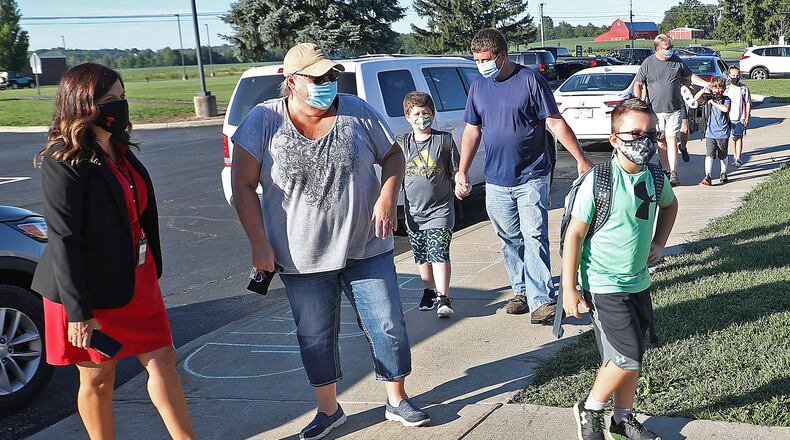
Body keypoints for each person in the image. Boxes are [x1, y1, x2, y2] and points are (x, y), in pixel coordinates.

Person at [230, 43, 429, 440]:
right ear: (291, 82)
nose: (328, 84)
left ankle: (396, 398)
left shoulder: (356, 111)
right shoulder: (263, 120)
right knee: (315, 336)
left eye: (331, 76)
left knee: (387, 323)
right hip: (301, 256)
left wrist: (388, 196)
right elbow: (243, 186)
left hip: (366, 246)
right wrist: (259, 243)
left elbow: (392, 156)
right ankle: (329, 410)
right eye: (318, 79)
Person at [31, 63, 195, 439]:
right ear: (83, 104)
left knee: (163, 360)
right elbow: (64, 238)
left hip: (135, 275)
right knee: (99, 376)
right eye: (110, 100)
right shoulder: (63, 159)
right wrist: (79, 313)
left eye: (122, 98)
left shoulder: (119, 147)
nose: (120, 107)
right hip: (84, 287)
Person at [455, 28, 593, 323]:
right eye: (476, 59)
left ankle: (541, 299)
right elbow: (472, 130)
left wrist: (581, 159)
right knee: (509, 238)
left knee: (533, 235)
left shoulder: (530, 80)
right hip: (496, 178)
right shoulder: (478, 87)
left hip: (532, 174)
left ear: (502, 55)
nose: (481, 64)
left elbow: (554, 123)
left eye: (485, 58)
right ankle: (522, 291)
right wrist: (462, 170)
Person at [562, 99, 678, 440]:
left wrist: (660, 242)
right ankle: (591, 410)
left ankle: (621, 419)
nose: (644, 141)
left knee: (632, 355)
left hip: (638, 280)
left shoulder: (654, 176)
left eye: (651, 133)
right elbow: (575, 235)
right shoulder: (598, 181)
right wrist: (569, 288)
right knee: (626, 354)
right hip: (602, 282)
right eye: (635, 133)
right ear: (615, 139)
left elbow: (670, 206)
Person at [396, 91, 460, 319]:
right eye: (417, 114)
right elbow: (395, 176)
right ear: (407, 117)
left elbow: (455, 170)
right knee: (421, 256)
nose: (422, 117)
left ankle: (444, 297)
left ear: (433, 114)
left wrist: (461, 182)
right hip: (414, 211)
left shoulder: (443, 140)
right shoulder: (402, 144)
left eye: (426, 113)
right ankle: (429, 291)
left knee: (438, 252)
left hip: (440, 209)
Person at [634, 34, 711, 187]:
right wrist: (639, 100)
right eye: (667, 48)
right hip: (655, 111)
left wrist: (705, 84)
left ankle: (674, 172)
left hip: (674, 109)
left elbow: (690, 77)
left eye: (671, 47)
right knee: (661, 142)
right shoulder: (648, 63)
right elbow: (638, 83)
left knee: (671, 139)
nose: (670, 50)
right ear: (658, 49)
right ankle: (666, 170)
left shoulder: (677, 61)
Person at [695, 76, 732, 186]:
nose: (718, 90)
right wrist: (704, 89)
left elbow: (726, 109)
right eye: (715, 88)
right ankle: (708, 175)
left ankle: (723, 172)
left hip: (722, 132)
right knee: (709, 155)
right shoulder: (707, 98)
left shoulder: (726, 99)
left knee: (723, 155)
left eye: (720, 88)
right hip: (710, 133)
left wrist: (713, 102)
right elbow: (696, 98)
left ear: (724, 88)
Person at [726, 66, 752, 168]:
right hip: (730, 117)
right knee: (733, 137)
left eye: (737, 76)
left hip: (740, 116)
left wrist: (747, 117)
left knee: (739, 136)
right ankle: (734, 156)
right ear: (729, 76)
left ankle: (738, 157)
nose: (735, 77)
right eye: (733, 76)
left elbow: (748, 102)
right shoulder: (727, 89)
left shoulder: (743, 88)